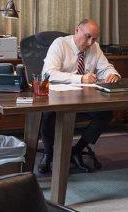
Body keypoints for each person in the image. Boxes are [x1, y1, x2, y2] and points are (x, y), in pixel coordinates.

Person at [39, 19, 120, 173]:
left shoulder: (94, 47)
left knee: (105, 113)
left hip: (83, 98)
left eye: (94, 39)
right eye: (88, 37)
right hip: (58, 97)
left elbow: (106, 67)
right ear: (77, 30)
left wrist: (112, 74)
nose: (90, 42)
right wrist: (80, 78)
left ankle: (77, 150)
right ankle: (48, 153)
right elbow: (49, 73)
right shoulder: (60, 44)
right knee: (47, 114)